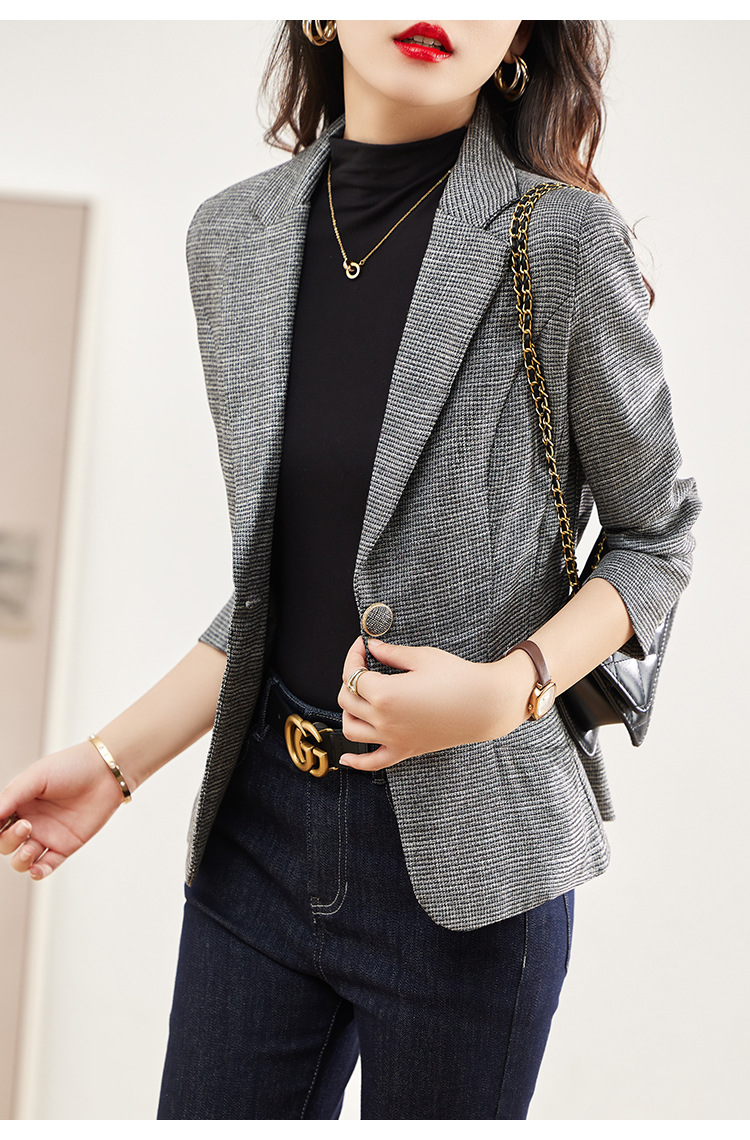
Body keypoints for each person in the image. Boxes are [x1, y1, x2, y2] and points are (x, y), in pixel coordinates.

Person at [0, 19, 700, 1120]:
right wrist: (112, 763)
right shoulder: (231, 238)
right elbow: (280, 586)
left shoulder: (561, 243)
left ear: (520, 33)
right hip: (259, 837)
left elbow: (658, 534)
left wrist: (507, 689)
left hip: (475, 866)